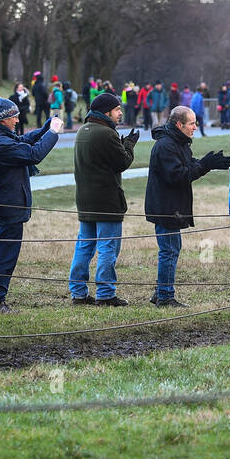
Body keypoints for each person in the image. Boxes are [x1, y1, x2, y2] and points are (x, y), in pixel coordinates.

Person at [0, 99, 61, 313]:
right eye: (14, 116)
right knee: (2, 257)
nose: (17, 119)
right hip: (6, 207)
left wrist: (44, 130)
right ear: (3, 119)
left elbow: (22, 140)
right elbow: (33, 154)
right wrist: (53, 134)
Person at [146, 105, 230, 307]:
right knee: (169, 250)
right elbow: (178, 176)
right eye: (192, 123)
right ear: (179, 124)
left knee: (171, 249)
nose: (196, 127)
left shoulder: (180, 142)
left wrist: (207, 164)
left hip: (172, 207)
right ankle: (165, 296)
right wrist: (204, 166)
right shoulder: (166, 145)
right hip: (165, 208)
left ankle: (160, 292)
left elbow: (188, 164)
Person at [68, 93, 139, 307]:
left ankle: (78, 292)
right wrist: (128, 144)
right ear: (107, 112)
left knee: (84, 247)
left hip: (85, 200)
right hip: (106, 201)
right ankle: (106, 293)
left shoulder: (83, 131)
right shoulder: (105, 134)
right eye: (117, 110)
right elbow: (122, 162)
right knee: (108, 247)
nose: (120, 113)